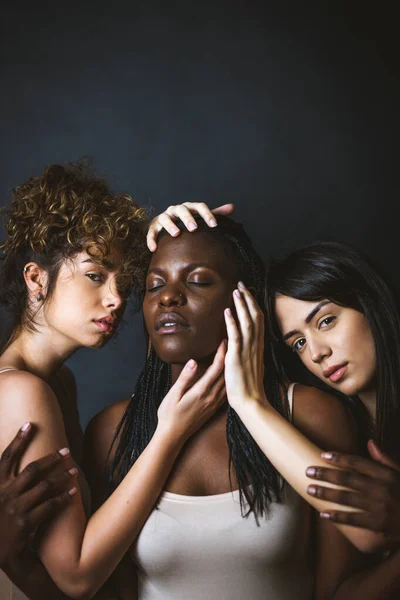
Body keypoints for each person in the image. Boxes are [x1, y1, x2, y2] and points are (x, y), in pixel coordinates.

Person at [85, 216, 377, 599]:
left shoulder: (310, 414)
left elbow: (338, 589)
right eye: (154, 285)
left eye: (199, 280)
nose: (167, 297)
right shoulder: (113, 430)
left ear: (245, 299)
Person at [0, 162, 232, 599]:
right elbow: (78, 575)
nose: (116, 299)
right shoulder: (20, 391)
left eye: (124, 282)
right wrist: (171, 433)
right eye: (95, 275)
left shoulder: (56, 383)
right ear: (36, 278)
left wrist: (171, 238)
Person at [267, 241, 400, 541]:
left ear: (369, 303)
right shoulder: (328, 435)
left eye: (326, 321)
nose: (316, 353)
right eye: (298, 343)